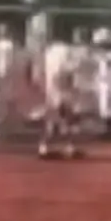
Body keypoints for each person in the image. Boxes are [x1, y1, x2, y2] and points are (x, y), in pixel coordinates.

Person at [39, 28, 83, 159]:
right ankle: (63, 147)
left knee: (55, 119)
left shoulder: (49, 51)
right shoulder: (67, 51)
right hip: (62, 88)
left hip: (51, 88)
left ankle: (46, 147)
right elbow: (69, 69)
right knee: (66, 119)